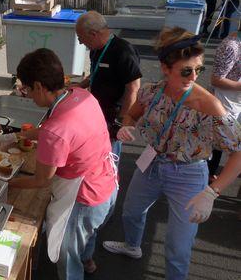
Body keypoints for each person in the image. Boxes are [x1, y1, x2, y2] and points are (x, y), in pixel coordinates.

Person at [103, 27, 241, 280]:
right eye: (186, 70)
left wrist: (212, 191)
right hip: (152, 162)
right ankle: (133, 246)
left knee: (177, 247)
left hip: (187, 174)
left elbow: (239, 152)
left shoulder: (210, 105)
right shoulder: (152, 91)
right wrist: (126, 126)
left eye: (198, 69)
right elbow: (132, 113)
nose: (194, 76)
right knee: (131, 212)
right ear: (165, 68)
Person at [0, 48, 118, 280]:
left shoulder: (56, 130)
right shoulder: (80, 95)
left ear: (39, 86)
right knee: (88, 236)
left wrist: (7, 183)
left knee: (67, 255)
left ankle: (77, 268)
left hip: (83, 199)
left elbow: (41, 180)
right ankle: (88, 260)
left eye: (28, 90)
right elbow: (55, 131)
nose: (29, 97)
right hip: (106, 184)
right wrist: (16, 137)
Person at [74, 11, 142, 158]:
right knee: (94, 154)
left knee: (109, 157)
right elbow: (95, 73)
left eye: (80, 37)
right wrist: (79, 87)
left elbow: (133, 88)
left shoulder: (123, 51)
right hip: (97, 112)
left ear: (93, 34)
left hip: (114, 116)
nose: (80, 42)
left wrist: (121, 121)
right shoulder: (95, 50)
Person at [207, 30, 240, 178]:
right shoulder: (231, 46)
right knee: (218, 140)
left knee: (223, 141)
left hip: (234, 98)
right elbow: (216, 79)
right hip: (224, 99)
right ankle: (206, 177)